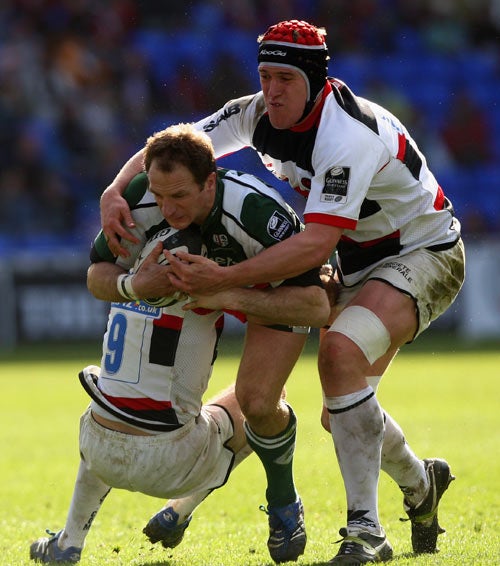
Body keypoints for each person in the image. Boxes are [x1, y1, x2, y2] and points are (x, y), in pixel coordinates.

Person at [99, 20, 466, 564]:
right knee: (338, 411)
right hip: (360, 262)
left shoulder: (346, 137)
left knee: (338, 358)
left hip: (422, 254)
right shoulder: (254, 113)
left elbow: (315, 245)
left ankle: (365, 533)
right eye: (265, 75)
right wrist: (114, 190)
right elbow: (180, 145)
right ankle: (420, 483)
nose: (271, 90)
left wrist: (222, 280)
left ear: (315, 82)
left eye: (284, 79)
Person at [30, 123, 330, 564]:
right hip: (174, 458)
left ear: (211, 181)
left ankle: (69, 541)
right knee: (258, 402)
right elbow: (99, 273)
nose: (166, 208)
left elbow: (316, 305)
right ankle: (234, 505)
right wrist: (140, 283)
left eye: (180, 197)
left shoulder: (253, 211)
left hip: (98, 442)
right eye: (158, 194)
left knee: (111, 397)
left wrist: (220, 291)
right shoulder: (139, 199)